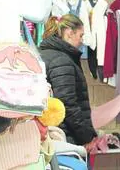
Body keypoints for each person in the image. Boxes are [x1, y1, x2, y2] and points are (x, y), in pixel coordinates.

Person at [39, 14, 97, 150]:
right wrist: (86, 136)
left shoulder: (47, 54)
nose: (82, 41)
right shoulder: (61, 60)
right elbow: (68, 105)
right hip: (66, 135)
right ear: (70, 33)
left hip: (54, 132)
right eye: (81, 35)